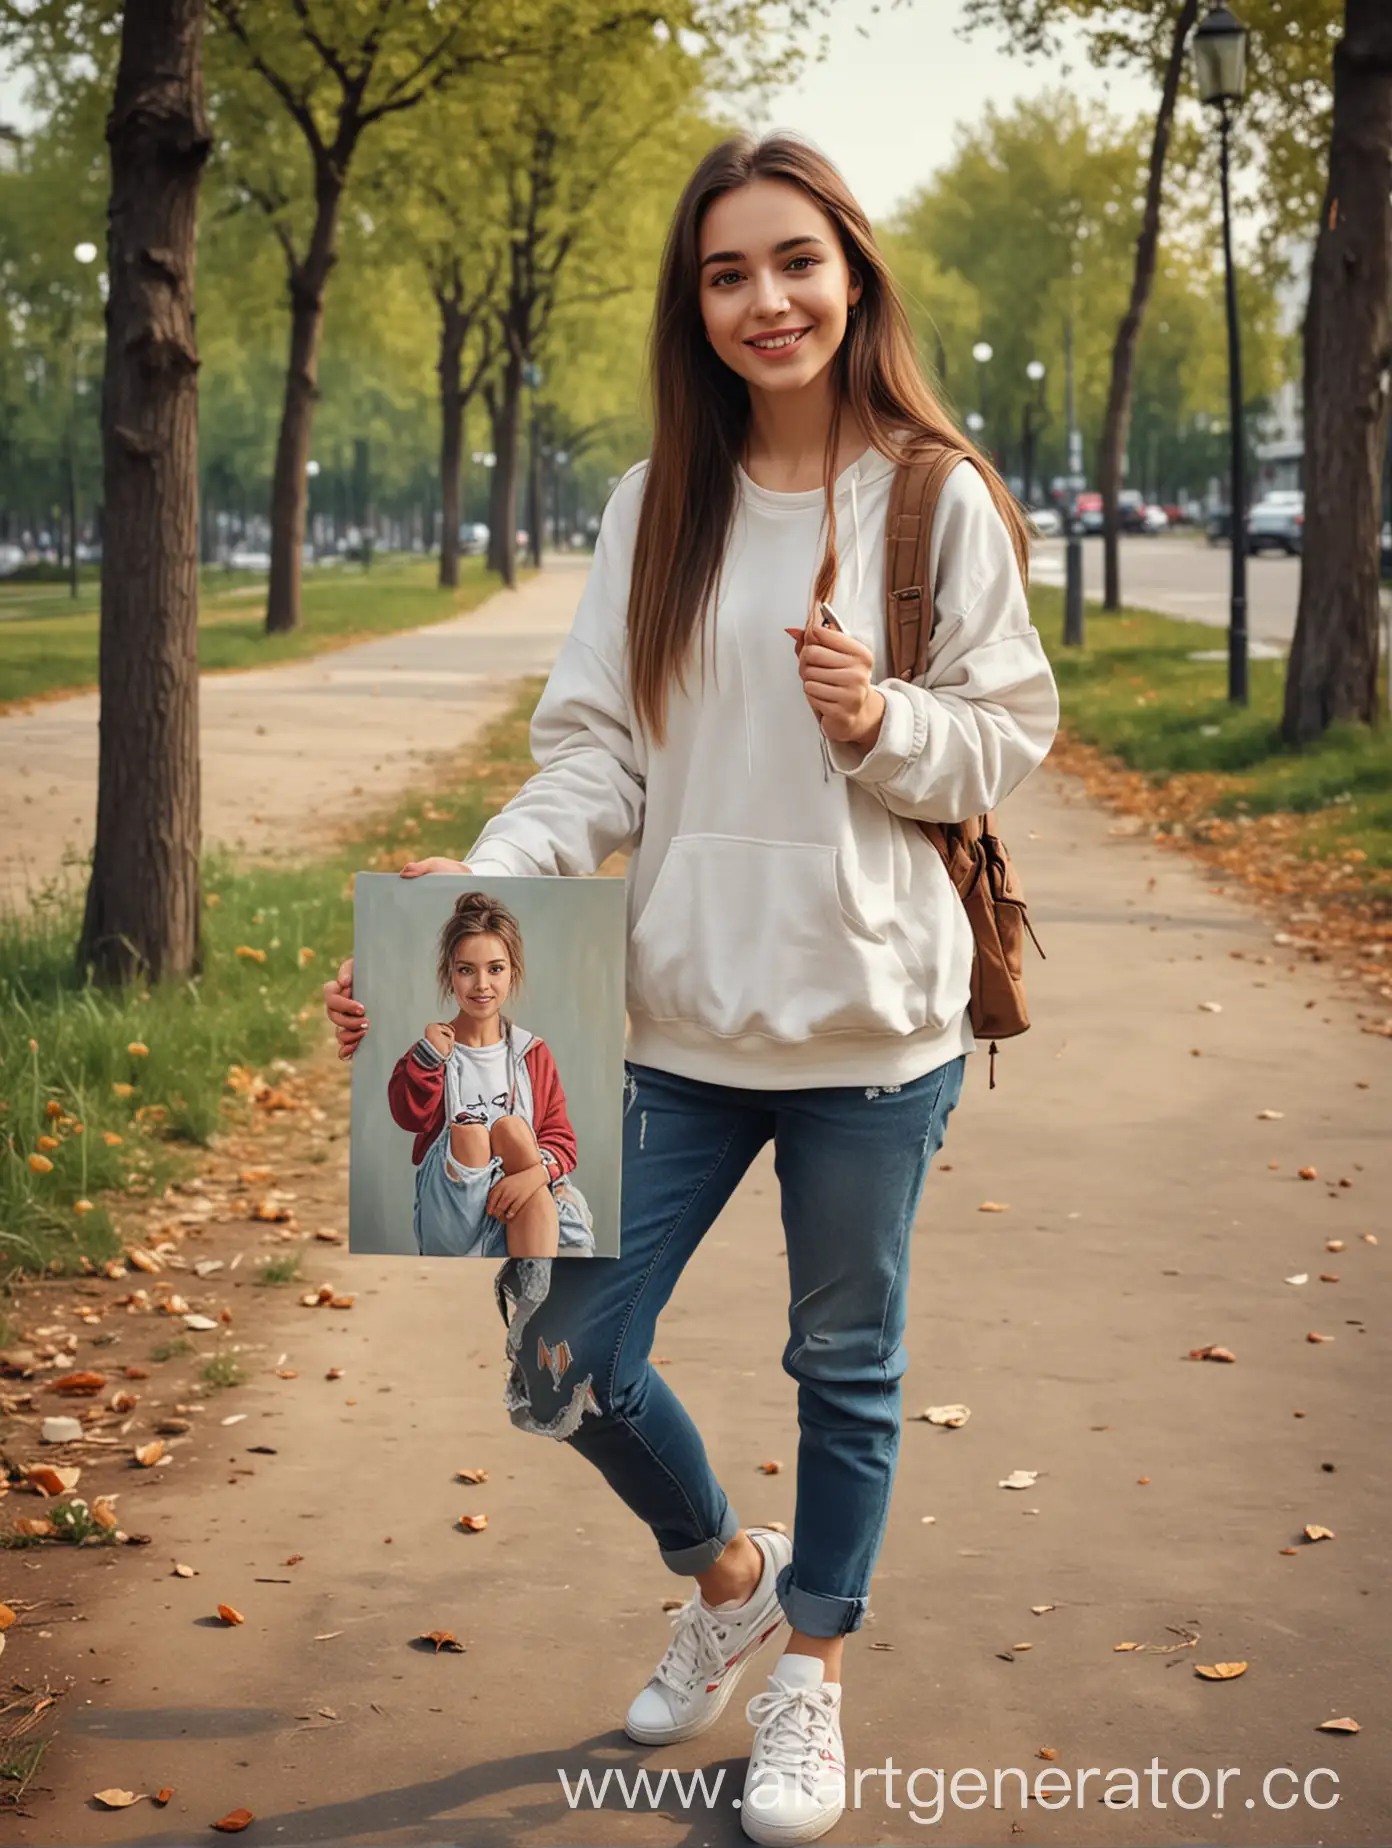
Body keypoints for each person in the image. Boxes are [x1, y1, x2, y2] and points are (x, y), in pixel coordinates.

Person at [326, 130, 1059, 1845]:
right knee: (557, 1337)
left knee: (844, 1362)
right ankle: (730, 1574)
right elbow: (591, 751)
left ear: (851, 275)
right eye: (726, 272)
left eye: (793, 261)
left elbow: (1007, 735)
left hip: (873, 1031)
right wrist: (491, 881)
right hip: (671, 1022)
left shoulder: (933, 493)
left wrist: (885, 721)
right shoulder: (661, 501)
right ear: (695, 304)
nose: (764, 299)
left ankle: (806, 1673)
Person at [387, 890, 595, 1260]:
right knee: (470, 1135)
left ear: (512, 973)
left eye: (495, 969)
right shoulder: (435, 1051)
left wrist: (531, 1177)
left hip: (521, 1199)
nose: (481, 984)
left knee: (513, 1129)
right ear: (449, 976)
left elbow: (561, 1139)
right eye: (467, 970)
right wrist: (429, 1058)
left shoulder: (533, 1054)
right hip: (454, 1211)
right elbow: (408, 1117)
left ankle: (535, 1284)